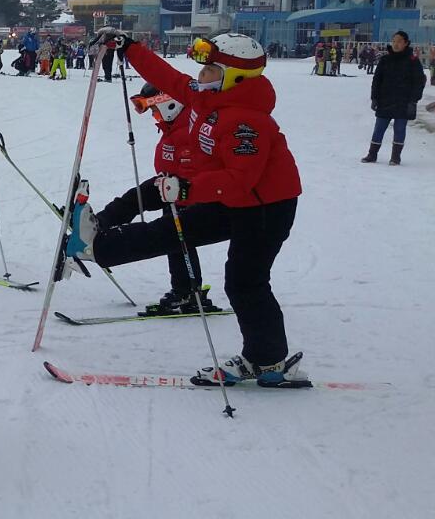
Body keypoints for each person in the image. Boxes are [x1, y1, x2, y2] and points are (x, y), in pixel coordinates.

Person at [71, 30, 307, 387]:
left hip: (265, 209)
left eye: (210, 69)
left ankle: (269, 361)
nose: (201, 74)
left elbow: (240, 178)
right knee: (171, 232)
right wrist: (130, 48)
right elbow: (168, 78)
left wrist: (187, 187)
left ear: (234, 76)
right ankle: (96, 246)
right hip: (231, 199)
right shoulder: (207, 97)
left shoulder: (247, 122)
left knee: (245, 281)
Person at [95, 84, 221, 313]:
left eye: (154, 110)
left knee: (176, 238)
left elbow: (197, 167)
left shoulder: (188, 129)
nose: (154, 116)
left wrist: (182, 191)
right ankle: (100, 222)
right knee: (137, 198)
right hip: (169, 184)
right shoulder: (175, 126)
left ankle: (187, 291)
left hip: (185, 191)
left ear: (170, 105)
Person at [363, 30, 426, 166]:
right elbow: (377, 80)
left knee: (399, 129)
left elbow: (419, 82)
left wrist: (413, 100)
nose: (396, 44)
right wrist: (374, 98)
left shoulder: (413, 61)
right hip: (385, 101)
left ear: (406, 43)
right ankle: (372, 154)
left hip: (403, 102)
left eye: (399, 41)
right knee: (379, 129)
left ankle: (395, 157)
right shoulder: (385, 60)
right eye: (394, 41)